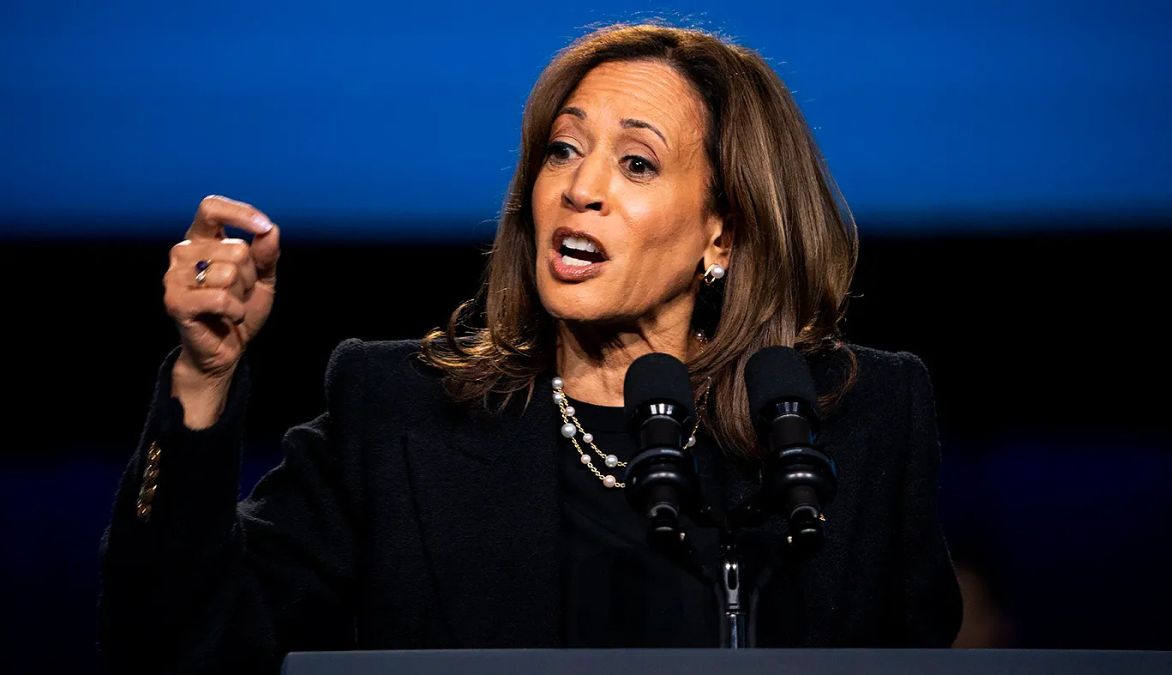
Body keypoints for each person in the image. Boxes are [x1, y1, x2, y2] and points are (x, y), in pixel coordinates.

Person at [99, 22, 962, 675]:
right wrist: (203, 379)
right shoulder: (397, 410)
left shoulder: (848, 424)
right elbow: (181, 642)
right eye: (564, 149)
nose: (581, 188)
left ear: (722, 235)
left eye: (636, 164)